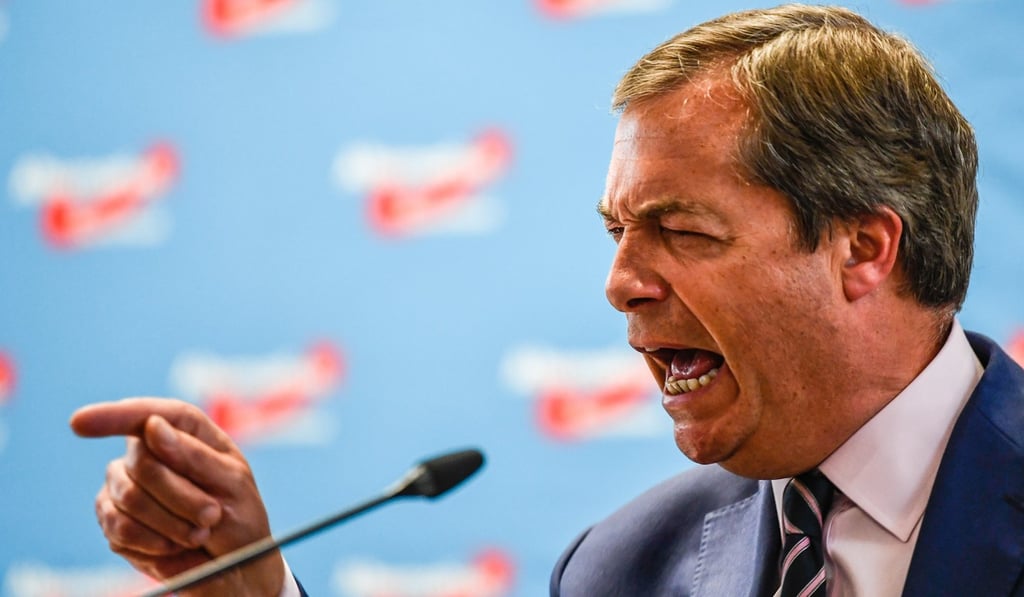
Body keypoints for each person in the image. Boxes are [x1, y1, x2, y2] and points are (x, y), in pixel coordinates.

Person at [70, 4, 1024, 596]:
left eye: (683, 231)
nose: (620, 284)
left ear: (864, 247)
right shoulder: (622, 566)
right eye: (617, 232)